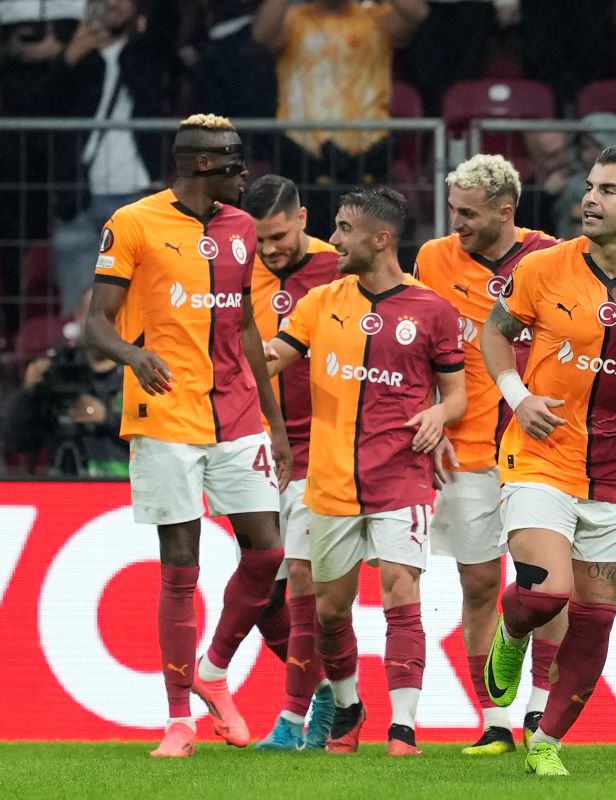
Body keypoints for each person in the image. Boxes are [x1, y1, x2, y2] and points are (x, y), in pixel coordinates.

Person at [479, 147, 616, 777]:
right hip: (542, 457)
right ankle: (513, 630)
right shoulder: (544, 268)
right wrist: (517, 397)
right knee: (548, 592)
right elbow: (494, 333)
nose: (590, 200)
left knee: (596, 617)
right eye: (589, 188)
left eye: (608, 190)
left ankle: (547, 739)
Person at [83, 114, 292, 758]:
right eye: (234, 164)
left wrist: (275, 424)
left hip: (234, 413)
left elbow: (249, 331)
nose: (243, 175)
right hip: (165, 413)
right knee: (181, 566)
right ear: (203, 166)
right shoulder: (135, 223)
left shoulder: (242, 228)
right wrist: (131, 355)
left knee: (266, 552)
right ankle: (179, 720)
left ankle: (213, 669)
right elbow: (94, 322)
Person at [266, 187, 467, 756]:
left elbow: (457, 395)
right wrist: (226, 352)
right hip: (328, 481)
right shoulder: (320, 302)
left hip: (400, 477)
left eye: (344, 229)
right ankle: (349, 707)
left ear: (380, 239)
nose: (334, 240)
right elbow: (276, 356)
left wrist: (438, 412)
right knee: (330, 610)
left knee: (402, 593)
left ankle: (403, 727)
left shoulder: (432, 310)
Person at [415, 154, 564, 755]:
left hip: (543, 449)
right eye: (453, 210)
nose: (457, 223)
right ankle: (495, 720)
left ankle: (538, 712)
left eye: (468, 213)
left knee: (547, 586)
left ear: (506, 211)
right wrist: (434, 417)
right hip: (466, 446)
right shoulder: (433, 258)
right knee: (478, 587)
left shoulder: (555, 257)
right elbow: (422, 344)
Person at [241, 175, 342, 751]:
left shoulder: (339, 266)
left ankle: (291, 718)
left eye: (278, 236)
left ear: (303, 218)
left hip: (320, 444)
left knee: (303, 577)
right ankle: (325, 686)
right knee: (261, 594)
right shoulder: (235, 270)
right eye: (259, 241)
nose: (269, 249)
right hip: (252, 444)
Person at [252, 0, 429, 236]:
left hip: (367, 160)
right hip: (303, 161)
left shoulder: (376, 18)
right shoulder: (292, 20)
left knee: (370, 253)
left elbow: (417, 12)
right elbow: (262, 35)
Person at [51, 0, 181, 316]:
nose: (112, 3)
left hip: (135, 196)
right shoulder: (75, 62)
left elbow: (167, 20)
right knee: (79, 313)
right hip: (77, 202)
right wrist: (69, 59)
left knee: (136, 311)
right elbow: (44, 110)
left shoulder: (148, 54)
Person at [5, 288, 127, 476]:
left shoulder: (136, 371)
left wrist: (106, 418)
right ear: (77, 317)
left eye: (110, 314)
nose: (102, 324)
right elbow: (16, 441)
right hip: (61, 489)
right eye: (93, 312)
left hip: (122, 490)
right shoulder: (57, 367)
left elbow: (159, 440)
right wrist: (28, 392)